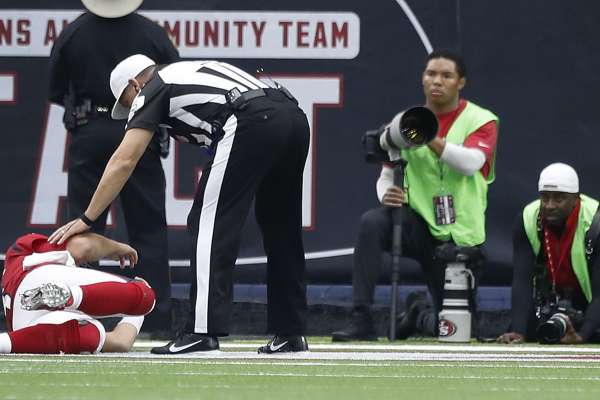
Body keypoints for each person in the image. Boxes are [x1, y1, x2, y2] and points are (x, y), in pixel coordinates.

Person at [48, 54, 311, 355]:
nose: (134, 109)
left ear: (135, 84)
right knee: (282, 229)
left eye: (128, 100)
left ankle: (201, 331)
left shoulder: (153, 88)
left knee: (208, 224)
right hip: (291, 116)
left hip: (250, 120)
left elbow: (124, 160)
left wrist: (88, 217)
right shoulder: (186, 71)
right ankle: (291, 331)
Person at [332, 50, 499, 341]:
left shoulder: (481, 120)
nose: (437, 81)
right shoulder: (406, 121)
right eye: (431, 74)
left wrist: (428, 136)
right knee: (372, 222)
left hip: (459, 236)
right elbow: (386, 172)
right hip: (418, 223)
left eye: (446, 75)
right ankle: (361, 318)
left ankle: (417, 316)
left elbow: (471, 163)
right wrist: (386, 194)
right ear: (422, 79)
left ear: (461, 82)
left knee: (457, 329)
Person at [47, 0, 179, 337]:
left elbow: (56, 89)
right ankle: (154, 316)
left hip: (88, 129)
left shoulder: (74, 32)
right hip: (140, 129)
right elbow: (171, 80)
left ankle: (85, 311)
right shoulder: (151, 33)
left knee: (83, 228)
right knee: (148, 225)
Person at [0, 232, 156, 354]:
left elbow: (120, 343)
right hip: (38, 277)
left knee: (87, 330)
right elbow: (83, 247)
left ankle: (5, 342)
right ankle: (72, 296)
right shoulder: (20, 251)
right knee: (146, 296)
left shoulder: (16, 259)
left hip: (23, 324)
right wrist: (116, 248)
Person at [497, 163, 600, 344]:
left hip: (592, 301)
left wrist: (582, 336)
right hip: (556, 301)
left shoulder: (595, 223)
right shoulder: (528, 219)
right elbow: (522, 279)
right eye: (545, 198)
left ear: (576, 198)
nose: (550, 205)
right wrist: (518, 331)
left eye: (559, 199)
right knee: (529, 329)